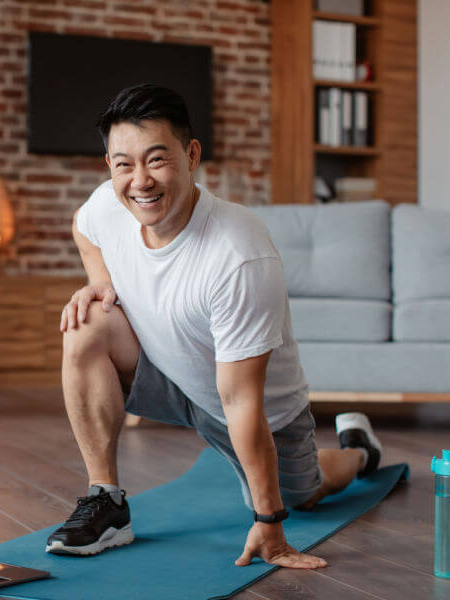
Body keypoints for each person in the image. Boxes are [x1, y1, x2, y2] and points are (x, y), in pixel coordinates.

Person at [45, 84, 382, 569]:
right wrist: (101, 283)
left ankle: (358, 451)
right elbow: (83, 224)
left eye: (157, 160)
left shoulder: (238, 252)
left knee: (307, 494)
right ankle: (108, 502)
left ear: (191, 155)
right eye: (124, 164)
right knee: (86, 323)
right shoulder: (109, 206)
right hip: (170, 374)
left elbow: (242, 399)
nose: (140, 180)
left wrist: (269, 521)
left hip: (258, 413)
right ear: (110, 168)